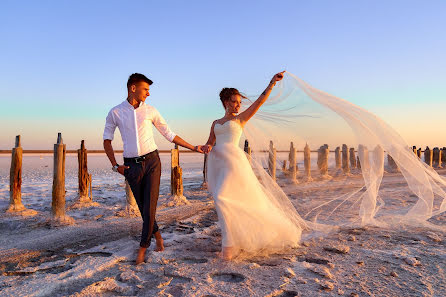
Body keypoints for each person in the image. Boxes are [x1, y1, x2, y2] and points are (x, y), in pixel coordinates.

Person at [202, 71, 307, 260]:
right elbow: (210, 142)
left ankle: (228, 248)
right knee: (223, 202)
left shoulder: (240, 119)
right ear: (226, 102)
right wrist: (207, 147)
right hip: (218, 163)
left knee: (223, 197)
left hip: (234, 163)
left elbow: (259, 102)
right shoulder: (216, 123)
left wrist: (271, 83)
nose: (237, 105)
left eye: (239, 102)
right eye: (234, 101)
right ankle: (232, 241)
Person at [103, 73, 204, 264]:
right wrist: (115, 166)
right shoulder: (115, 112)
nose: (148, 94)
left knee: (149, 208)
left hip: (152, 162)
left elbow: (169, 134)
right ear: (133, 88)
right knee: (144, 209)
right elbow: (107, 140)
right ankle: (158, 236)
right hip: (131, 165)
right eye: (145, 89)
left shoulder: (151, 111)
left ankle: (142, 248)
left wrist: (193, 147)